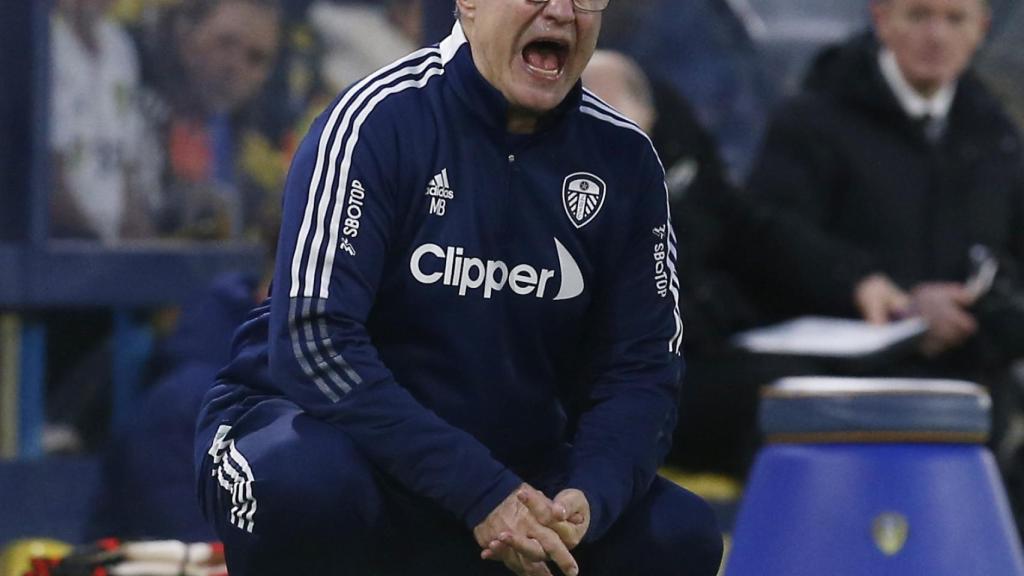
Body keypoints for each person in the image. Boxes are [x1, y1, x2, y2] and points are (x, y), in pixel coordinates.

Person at [194, 1, 723, 575]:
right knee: (307, 487)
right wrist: (476, 488)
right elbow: (314, 341)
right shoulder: (376, 121)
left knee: (679, 535)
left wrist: (589, 497)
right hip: (332, 441)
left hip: (511, 473)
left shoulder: (626, 162)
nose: (562, 12)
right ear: (467, 3)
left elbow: (641, 371)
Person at [747, 0, 1024, 516]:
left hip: (973, 392)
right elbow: (766, 237)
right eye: (918, 15)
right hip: (840, 394)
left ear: (981, 30)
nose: (936, 36)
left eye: (955, 19)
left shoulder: (997, 134)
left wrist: (983, 304)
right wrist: (868, 287)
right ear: (881, 20)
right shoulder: (811, 121)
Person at [50, 0, 155, 242]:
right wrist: (90, 242)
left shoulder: (119, 44)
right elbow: (47, 170)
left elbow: (126, 157)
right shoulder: (44, 41)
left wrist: (135, 239)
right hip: (61, 241)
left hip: (111, 240)